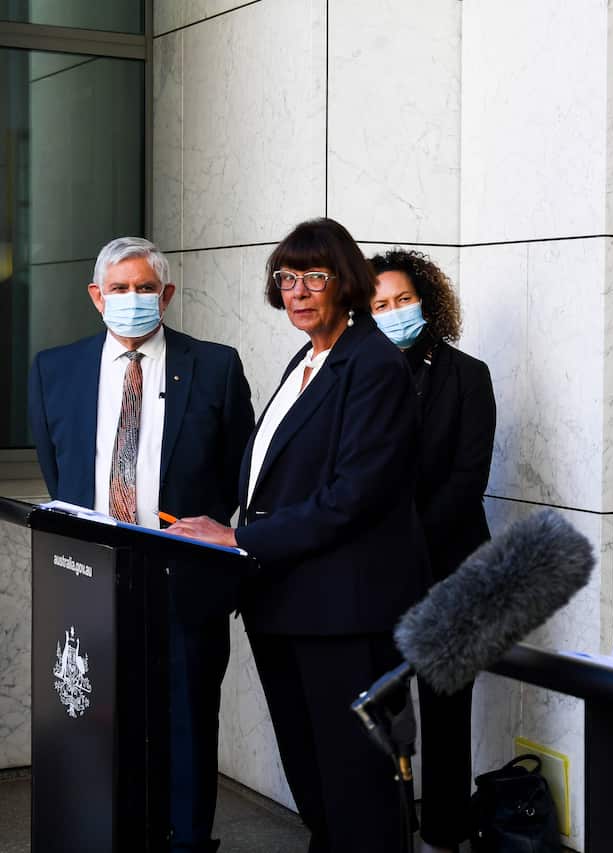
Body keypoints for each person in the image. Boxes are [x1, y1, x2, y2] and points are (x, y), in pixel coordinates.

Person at [168, 218, 427, 853]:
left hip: (344, 612)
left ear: (347, 282)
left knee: (356, 788)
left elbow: (351, 497)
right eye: (286, 279)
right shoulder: (308, 358)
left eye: (315, 276)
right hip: (285, 601)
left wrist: (239, 539)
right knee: (314, 780)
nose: (298, 292)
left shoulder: (374, 363)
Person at [28, 236, 255, 852]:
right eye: (120, 288)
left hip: (185, 577)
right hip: (88, 577)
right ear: (96, 296)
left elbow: (237, 471)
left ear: (167, 294)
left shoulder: (214, 366)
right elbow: (60, 470)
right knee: (91, 716)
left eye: (145, 288)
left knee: (187, 722)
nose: (133, 298)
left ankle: (186, 843)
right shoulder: (55, 369)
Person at [368, 248, 496, 853]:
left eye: (403, 299)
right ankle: (386, 830)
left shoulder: (468, 375)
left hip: (449, 565)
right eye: (379, 305)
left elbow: (468, 479)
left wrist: (407, 542)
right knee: (381, 709)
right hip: (371, 568)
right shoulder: (355, 375)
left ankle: (445, 833)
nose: (394, 312)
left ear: (426, 301)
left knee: (447, 710)